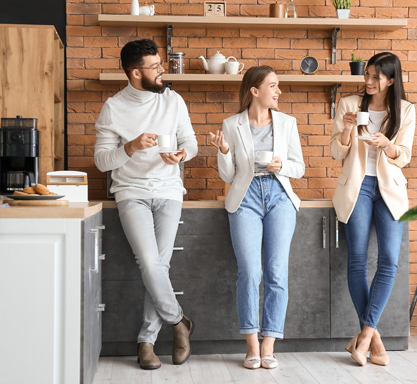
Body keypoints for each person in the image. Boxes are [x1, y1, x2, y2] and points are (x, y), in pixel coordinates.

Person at [93, 39, 198, 370]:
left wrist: (183, 154)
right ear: (135, 72)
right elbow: (100, 161)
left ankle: (146, 343)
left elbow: (190, 142)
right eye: (156, 67)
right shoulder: (113, 108)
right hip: (130, 192)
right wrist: (130, 148)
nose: (162, 70)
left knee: (158, 268)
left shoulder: (173, 101)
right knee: (150, 263)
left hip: (168, 190)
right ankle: (179, 322)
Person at [209, 66, 305, 370]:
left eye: (278, 86)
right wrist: (223, 150)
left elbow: (299, 167)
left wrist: (282, 166)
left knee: (277, 271)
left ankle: (268, 345)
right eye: (273, 86)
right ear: (255, 90)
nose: (278, 92)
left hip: (279, 196)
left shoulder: (287, 123)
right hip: (245, 197)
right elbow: (228, 174)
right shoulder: (231, 124)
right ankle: (251, 345)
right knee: (250, 272)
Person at [329, 52, 416, 367]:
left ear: (391, 80)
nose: (367, 81)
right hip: (357, 186)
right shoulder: (349, 105)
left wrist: (386, 145)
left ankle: (364, 335)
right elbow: (336, 150)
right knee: (357, 262)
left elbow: (403, 155)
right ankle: (374, 337)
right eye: (366, 75)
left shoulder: (405, 110)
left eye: (375, 77)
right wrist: (348, 131)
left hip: (389, 189)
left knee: (389, 261)